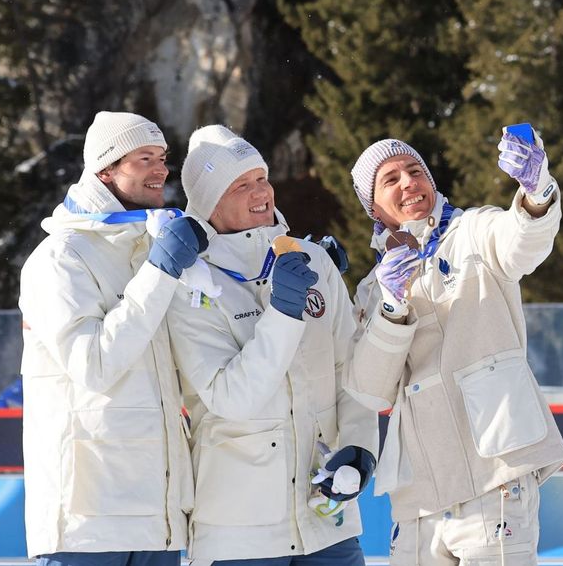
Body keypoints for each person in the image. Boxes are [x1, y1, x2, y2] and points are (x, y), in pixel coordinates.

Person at [346, 128, 563, 566]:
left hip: (495, 477)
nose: (409, 182)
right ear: (373, 207)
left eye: (415, 171)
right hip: (419, 497)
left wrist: (536, 191)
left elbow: (522, 243)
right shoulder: (372, 290)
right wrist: (393, 304)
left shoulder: (474, 231)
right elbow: (370, 389)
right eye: (390, 179)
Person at [165, 125, 378, 566]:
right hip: (239, 533)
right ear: (209, 203)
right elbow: (232, 398)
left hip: (327, 520)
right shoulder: (189, 283)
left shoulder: (313, 260)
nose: (260, 191)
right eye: (241, 185)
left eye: (261, 178)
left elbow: (350, 370)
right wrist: (283, 313)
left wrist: (359, 449)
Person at [20, 111, 208, 565]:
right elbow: (94, 366)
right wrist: (161, 272)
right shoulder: (59, 258)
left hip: (158, 518)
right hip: (86, 523)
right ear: (105, 169)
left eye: (163, 157)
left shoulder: (149, 245)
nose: (161, 169)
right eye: (145, 157)